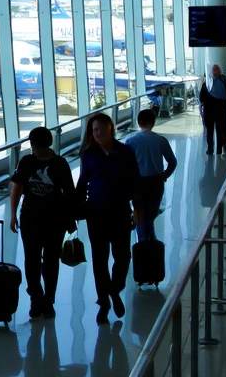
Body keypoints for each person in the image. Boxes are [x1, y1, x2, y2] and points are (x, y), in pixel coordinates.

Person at [75, 113, 144, 324]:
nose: (97, 133)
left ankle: (115, 289)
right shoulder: (88, 154)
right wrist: (76, 209)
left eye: (100, 129)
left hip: (120, 211)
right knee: (100, 258)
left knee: (123, 256)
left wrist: (138, 208)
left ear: (110, 128)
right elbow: (82, 182)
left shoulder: (125, 152)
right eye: (93, 130)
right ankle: (103, 302)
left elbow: (135, 182)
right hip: (95, 212)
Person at [9, 127, 77, 320]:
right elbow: (69, 193)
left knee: (31, 259)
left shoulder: (27, 161)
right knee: (51, 261)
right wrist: (71, 219)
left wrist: (13, 214)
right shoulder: (60, 163)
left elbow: (16, 188)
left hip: (31, 217)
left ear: (32, 143)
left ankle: (36, 299)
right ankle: (48, 301)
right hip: (56, 218)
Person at [125, 109, 177, 241]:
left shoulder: (131, 141)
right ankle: (150, 240)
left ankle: (144, 242)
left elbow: (126, 166)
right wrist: (165, 175)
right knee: (151, 214)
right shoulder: (160, 140)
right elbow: (172, 161)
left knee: (140, 214)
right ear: (153, 122)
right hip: (156, 182)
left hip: (138, 183)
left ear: (139, 122)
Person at [199, 64, 226, 155]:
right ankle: (220, 149)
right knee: (221, 130)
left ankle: (211, 149)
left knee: (210, 131)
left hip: (210, 112)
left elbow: (201, 98)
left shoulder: (206, 84)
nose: (214, 72)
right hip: (221, 111)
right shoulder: (225, 81)